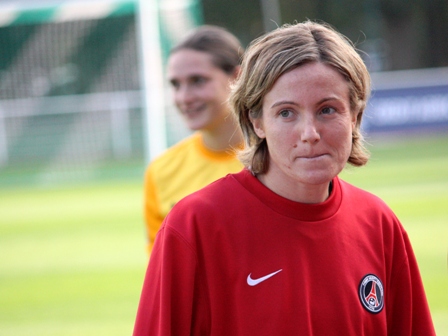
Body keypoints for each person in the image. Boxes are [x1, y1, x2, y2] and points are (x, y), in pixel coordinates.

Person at [133, 21, 435, 335]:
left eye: (327, 110)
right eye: (286, 113)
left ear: (355, 116)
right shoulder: (194, 225)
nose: (310, 134)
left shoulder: (379, 224)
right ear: (257, 121)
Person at [143, 25, 244, 253]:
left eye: (197, 80)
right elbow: (163, 267)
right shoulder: (161, 170)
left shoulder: (278, 157)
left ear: (237, 77)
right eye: (175, 84)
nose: (184, 97)